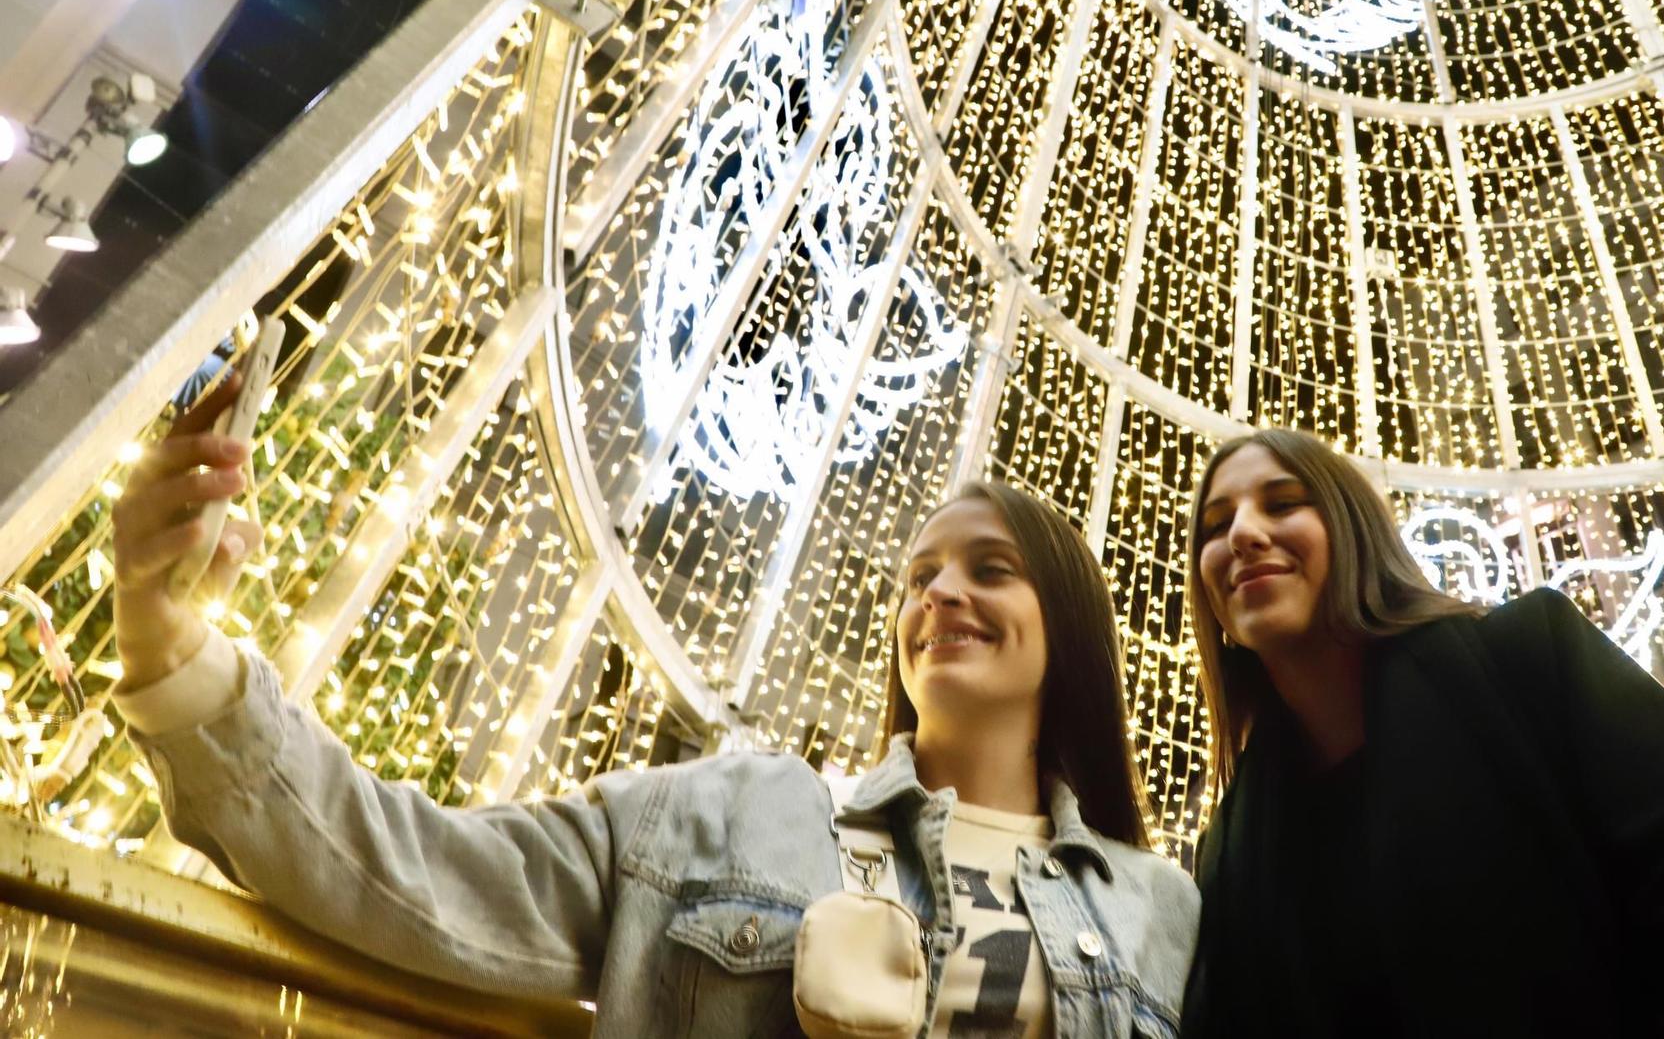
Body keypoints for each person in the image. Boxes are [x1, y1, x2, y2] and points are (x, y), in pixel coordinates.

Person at [110, 373, 1197, 1037]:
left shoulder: (1165, 912)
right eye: (918, 578)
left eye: (989, 569)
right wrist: (174, 651)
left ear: (1068, 625)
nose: (940, 594)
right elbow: (416, 874)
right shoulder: (733, 815)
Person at [1177, 428, 1664, 1037]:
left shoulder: (1528, 662)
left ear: (1352, 527)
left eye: (1282, 502)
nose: (1241, 532)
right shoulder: (1231, 848)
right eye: (1214, 524)